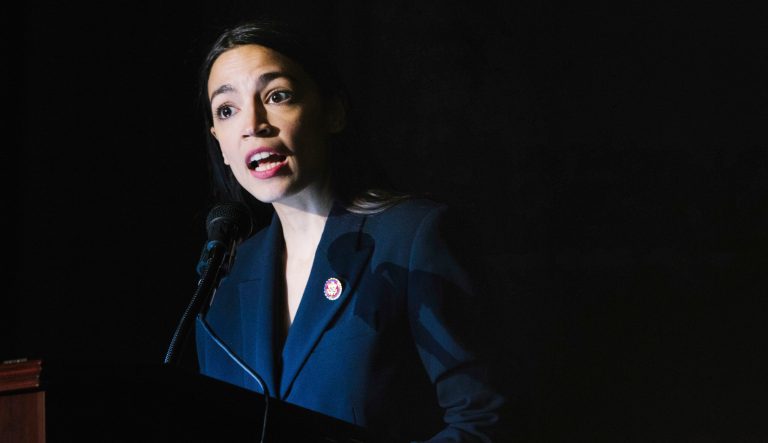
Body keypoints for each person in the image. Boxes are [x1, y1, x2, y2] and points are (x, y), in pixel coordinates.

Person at [193, 18, 506, 442]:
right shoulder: (225, 276)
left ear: (333, 112)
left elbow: (485, 421)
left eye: (277, 96)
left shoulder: (412, 236)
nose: (253, 124)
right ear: (219, 142)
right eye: (227, 110)